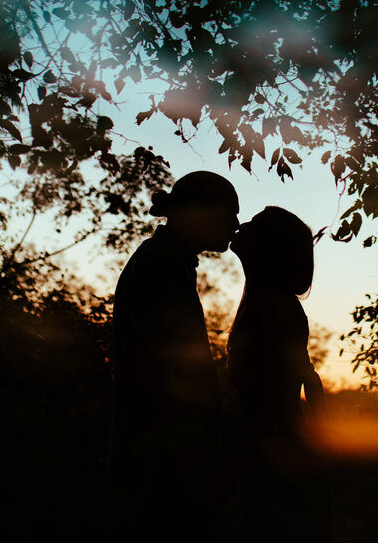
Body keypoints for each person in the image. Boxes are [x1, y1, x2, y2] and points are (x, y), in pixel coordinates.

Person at [109, 170, 240, 540]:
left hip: (163, 456)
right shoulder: (161, 268)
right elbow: (168, 376)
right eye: (229, 213)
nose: (235, 224)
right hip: (164, 461)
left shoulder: (166, 262)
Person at [227, 206, 330, 542]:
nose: (242, 226)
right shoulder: (267, 298)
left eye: (254, 225)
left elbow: (287, 384)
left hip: (270, 449)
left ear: (268, 246)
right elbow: (308, 376)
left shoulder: (273, 305)